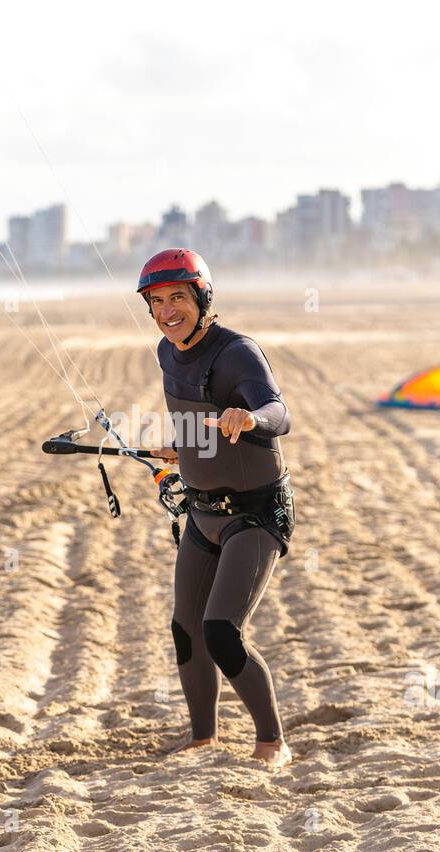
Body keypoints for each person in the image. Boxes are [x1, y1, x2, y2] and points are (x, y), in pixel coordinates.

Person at [139, 248, 295, 770]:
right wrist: (179, 446)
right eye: (157, 302)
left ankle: (273, 741)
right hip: (202, 512)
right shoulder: (166, 351)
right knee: (186, 626)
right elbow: (195, 426)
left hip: (255, 513)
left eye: (177, 298)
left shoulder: (238, 353)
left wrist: (248, 420)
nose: (167, 311)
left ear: (202, 298)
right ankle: (203, 736)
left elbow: (280, 413)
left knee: (221, 629)